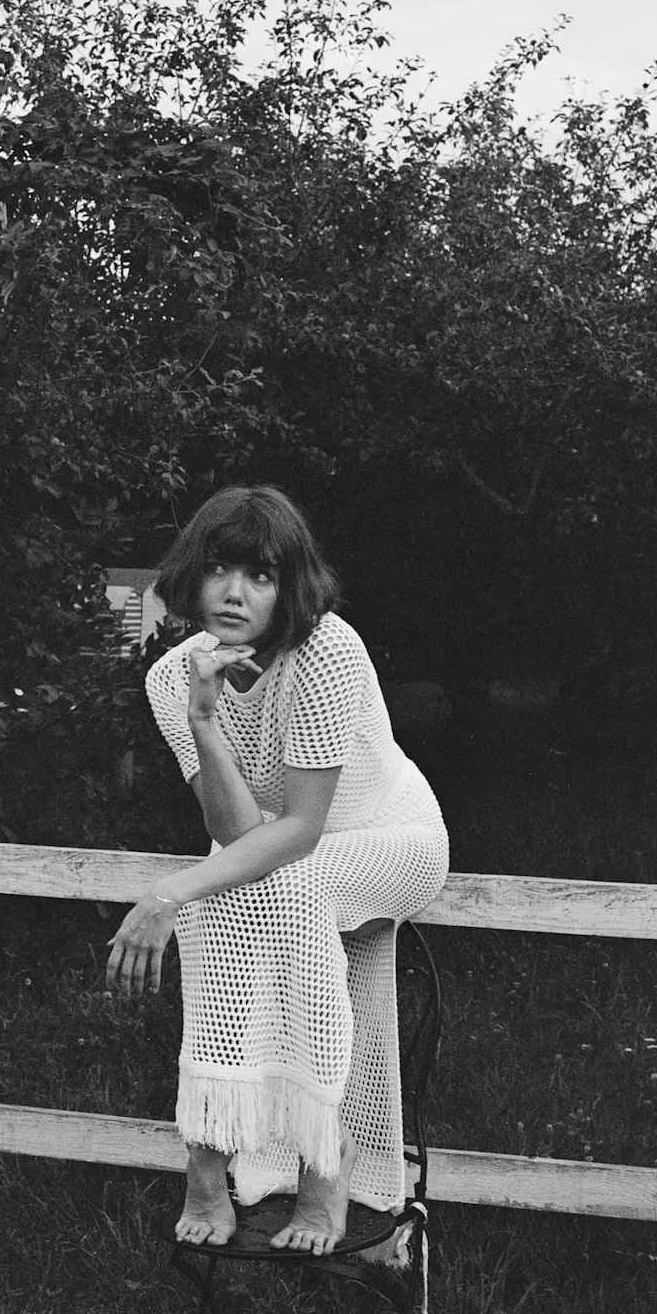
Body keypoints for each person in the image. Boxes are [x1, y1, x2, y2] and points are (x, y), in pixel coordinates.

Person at [106, 485, 449, 1256]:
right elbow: (233, 834)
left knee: (251, 890)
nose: (234, 592)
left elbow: (297, 831)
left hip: (391, 836)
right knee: (223, 898)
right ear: (192, 575)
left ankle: (323, 1170)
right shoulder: (173, 677)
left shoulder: (326, 651)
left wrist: (168, 893)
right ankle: (210, 1157)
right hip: (287, 853)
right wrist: (202, 719)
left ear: (287, 586)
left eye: (260, 575)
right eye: (221, 569)